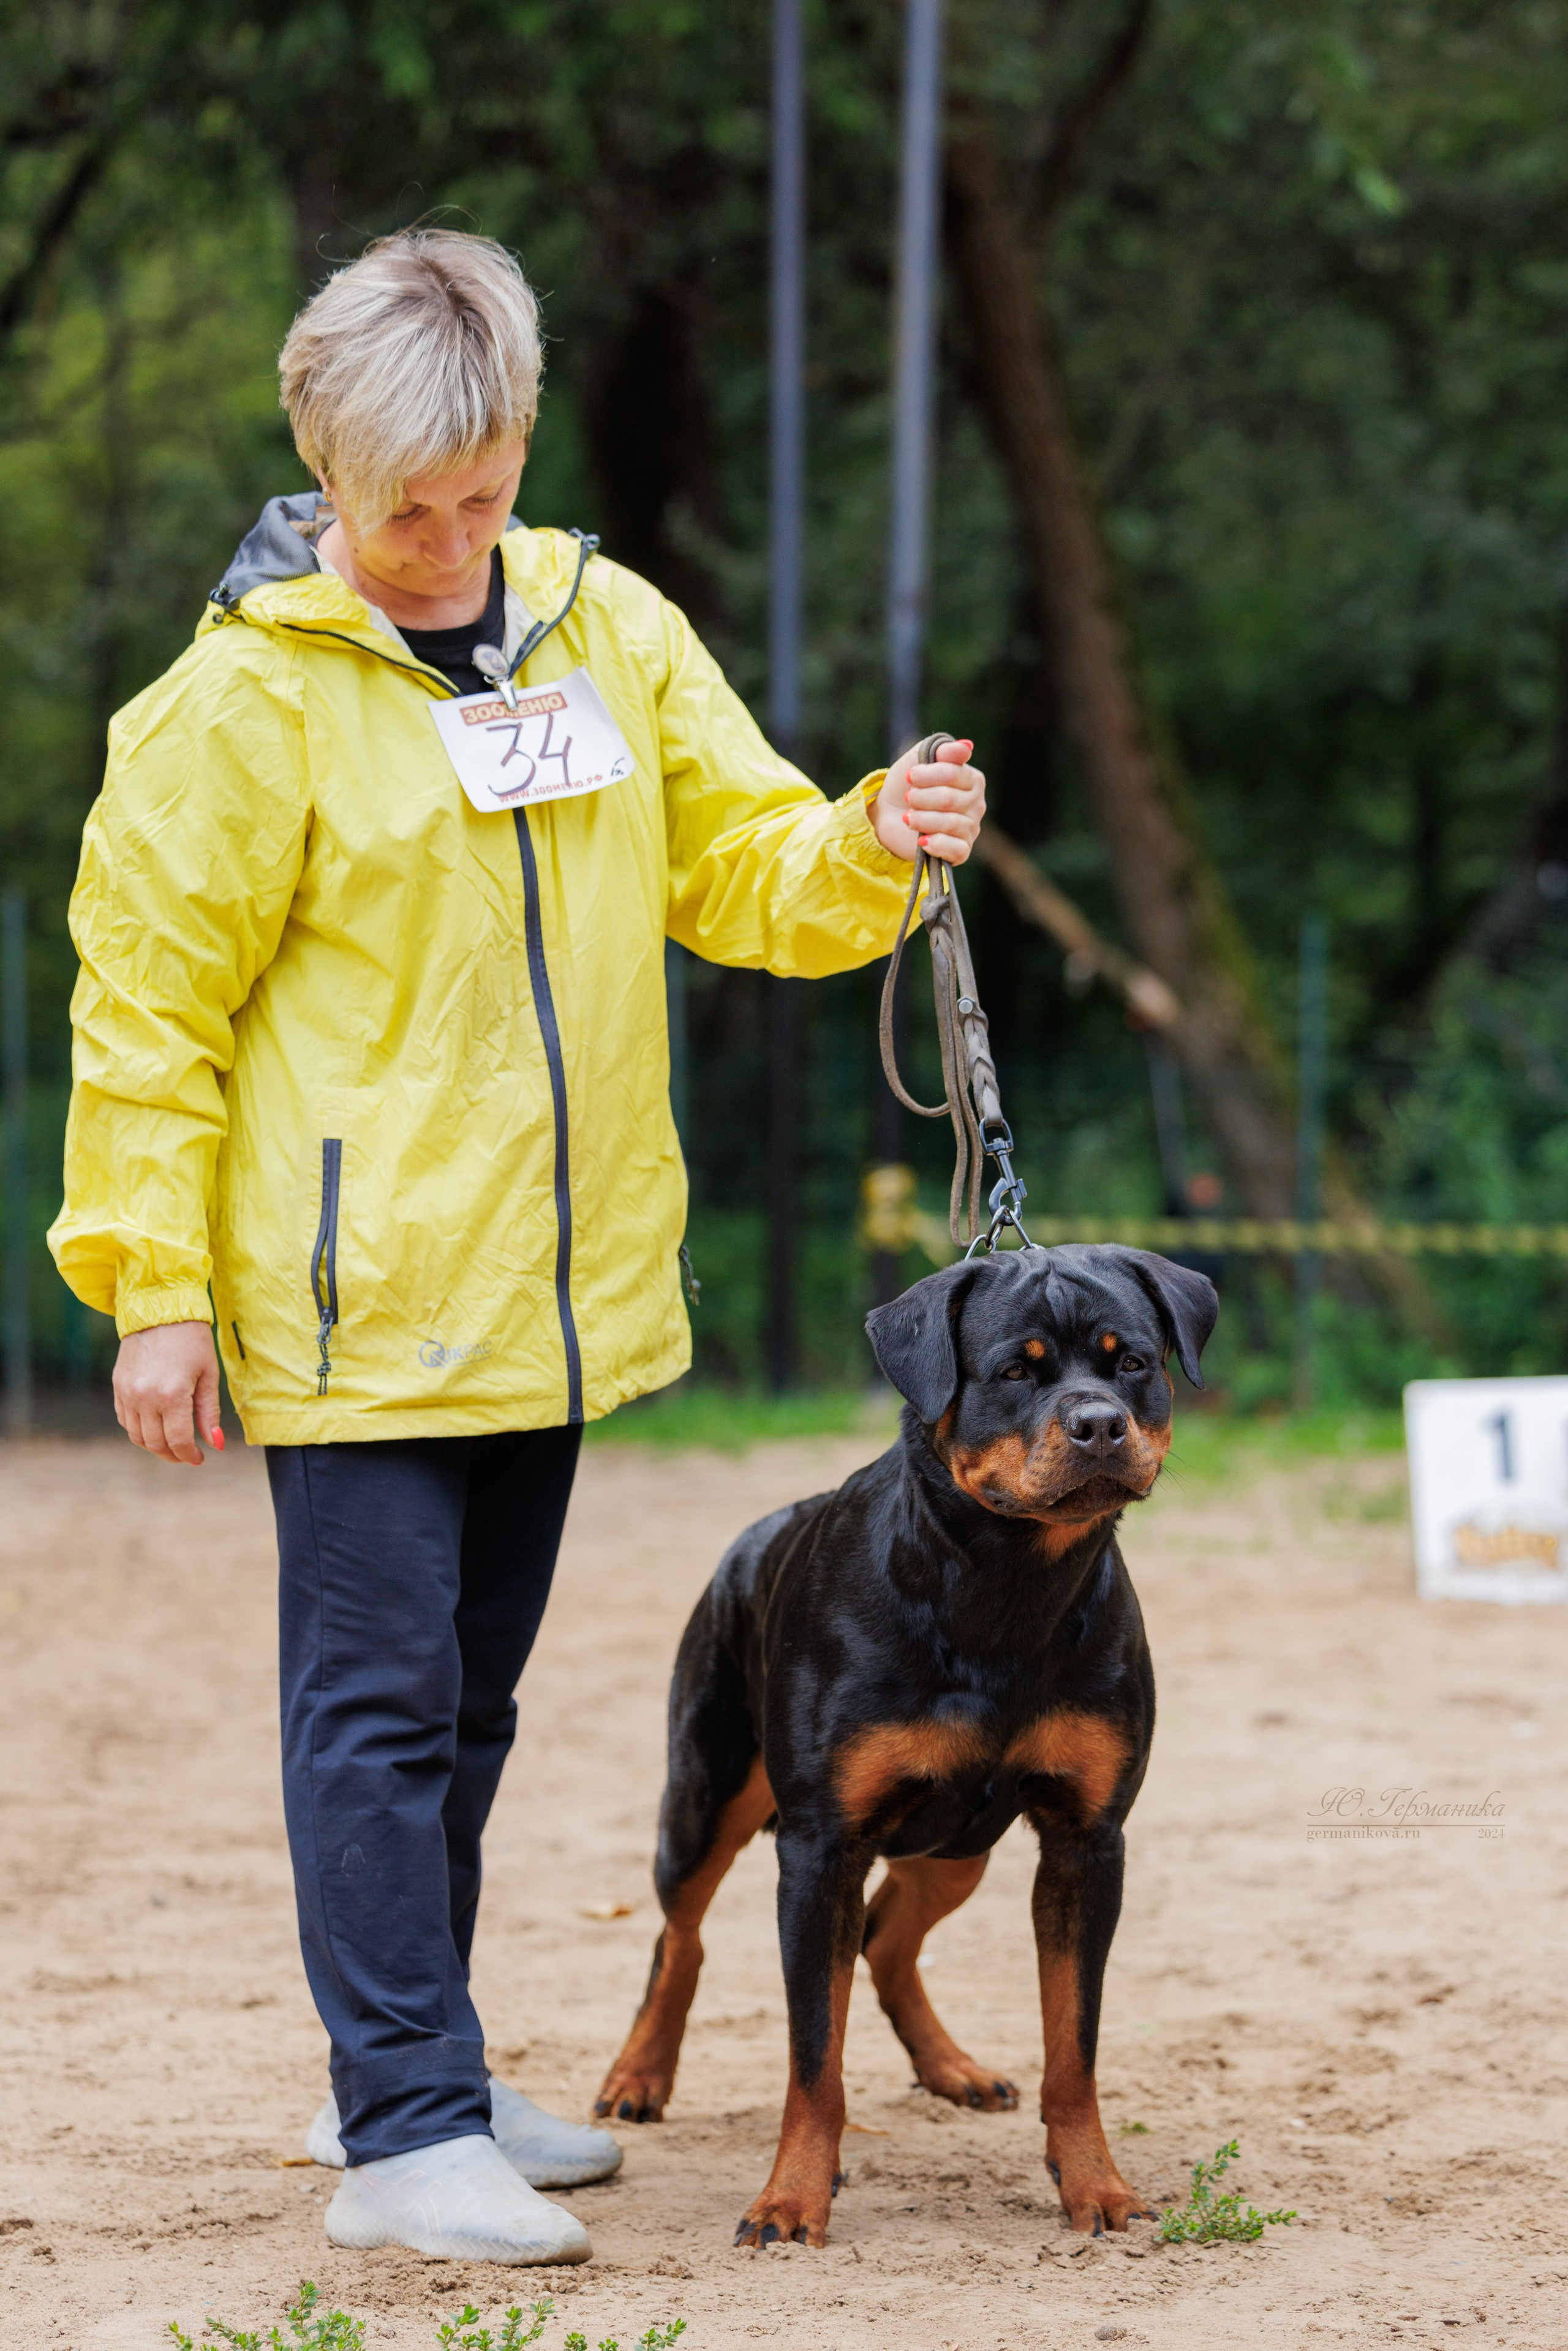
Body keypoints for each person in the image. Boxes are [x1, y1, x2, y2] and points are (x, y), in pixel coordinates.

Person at [47, 229, 986, 2265]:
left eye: (484, 492)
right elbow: (145, 1016)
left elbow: (738, 861)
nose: (451, 539)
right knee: (373, 1712)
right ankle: (397, 2135)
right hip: (347, 1309)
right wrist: (159, 1289)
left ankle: (422, 2068)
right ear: (322, 468)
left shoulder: (605, 625)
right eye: (408, 510)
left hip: (547, 1309)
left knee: (469, 1712)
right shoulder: (233, 711)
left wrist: (867, 843)